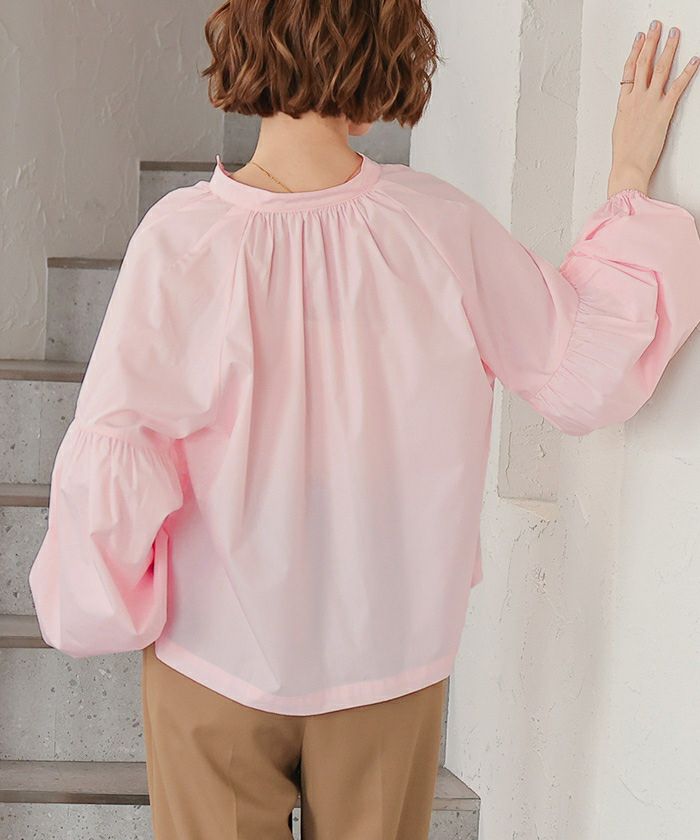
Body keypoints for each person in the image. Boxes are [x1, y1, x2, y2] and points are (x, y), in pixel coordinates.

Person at [27, 4, 700, 839]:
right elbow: (584, 374)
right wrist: (628, 174)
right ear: (388, 62)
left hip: (213, 656)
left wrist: (101, 607)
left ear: (242, 43)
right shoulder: (437, 226)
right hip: (388, 662)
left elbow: (117, 456)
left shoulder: (180, 241)